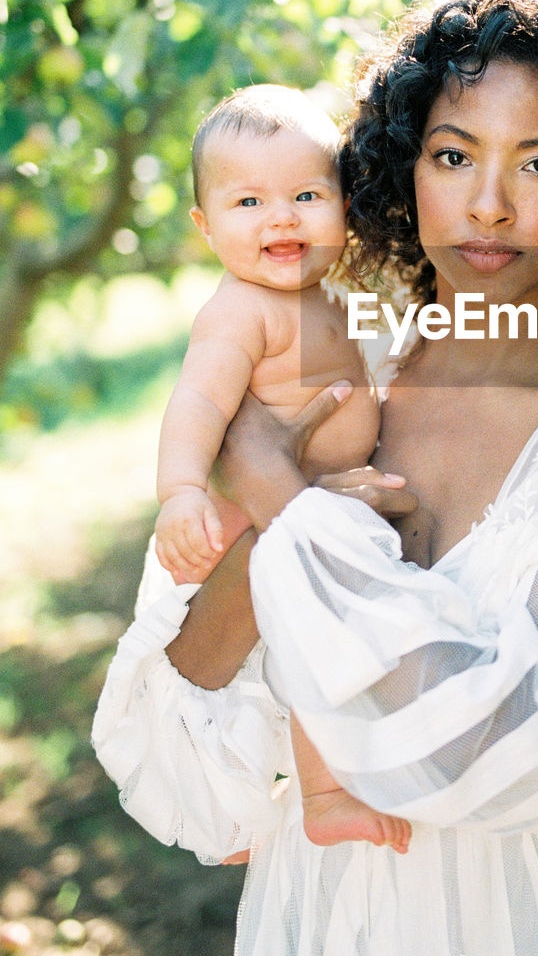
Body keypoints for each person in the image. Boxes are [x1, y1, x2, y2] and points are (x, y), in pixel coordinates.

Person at [93, 0, 538, 955]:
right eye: (454, 155)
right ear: (401, 165)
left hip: (520, 912)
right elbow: (177, 751)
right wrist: (264, 513)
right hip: (318, 904)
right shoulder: (319, 382)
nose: (489, 205)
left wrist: (286, 499)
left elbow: (509, 755)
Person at [151, 83, 411, 855]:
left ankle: (249, 800)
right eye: (249, 202)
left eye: (306, 194)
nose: (282, 217)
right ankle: (320, 797)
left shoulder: (335, 290)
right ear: (204, 226)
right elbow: (197, 401)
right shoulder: (240, 309)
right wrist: (181, 491)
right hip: (279, 521)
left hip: (332, 506)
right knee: (299, 656)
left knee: (315, 657)